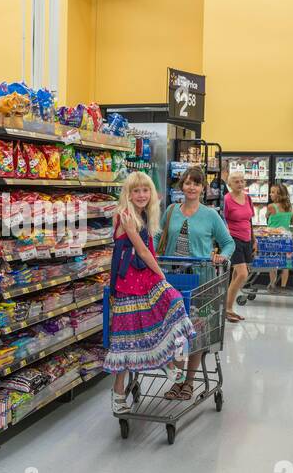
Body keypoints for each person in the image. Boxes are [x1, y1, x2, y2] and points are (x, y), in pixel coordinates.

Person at [104, 172, 198, 416]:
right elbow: (143, 251)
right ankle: (118, 393)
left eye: (145, 190)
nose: (141, 195)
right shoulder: (126, 215)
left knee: (172, 304)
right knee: (127, 338)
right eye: (136, 191)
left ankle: (165, 360)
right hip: (128, 281)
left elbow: (149, 250)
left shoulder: (145, 214)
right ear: (128, 194)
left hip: (144, 277)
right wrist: (162, 276)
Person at [159, 166, 235, 401]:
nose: (191, 187)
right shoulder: (171, 210)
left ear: (203, 188)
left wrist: (222, 256)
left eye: (196, 183)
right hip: (173, 280)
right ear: (181, 186)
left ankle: (189, 382)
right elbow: (157, 236)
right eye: (188, 183)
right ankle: (177, 380)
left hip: (202, 281)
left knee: (196, 331)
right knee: (176, 333)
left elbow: (228, 243)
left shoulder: (210, 215)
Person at [221, 170, 255, 322]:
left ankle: (228, 308)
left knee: (236, 275)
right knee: (242, 274)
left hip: (246, 239)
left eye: (242, 181)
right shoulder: (226, 200)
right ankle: (227, 309)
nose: (240, 184)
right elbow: (222, 220)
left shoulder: (248, 198)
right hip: (233, 239)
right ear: (229, 184)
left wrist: (254, 239)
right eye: (236, 181)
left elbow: (249, 220)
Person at [264, 182, 293, 290]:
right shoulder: (291, 207)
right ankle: (283, 286)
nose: (270, 194)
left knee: (273, 263)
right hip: (286, 239)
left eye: (273, 192)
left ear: (280, 194)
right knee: (285, 264)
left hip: (273, 239)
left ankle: (273, 284)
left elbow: (266, 216)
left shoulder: (271, 206)